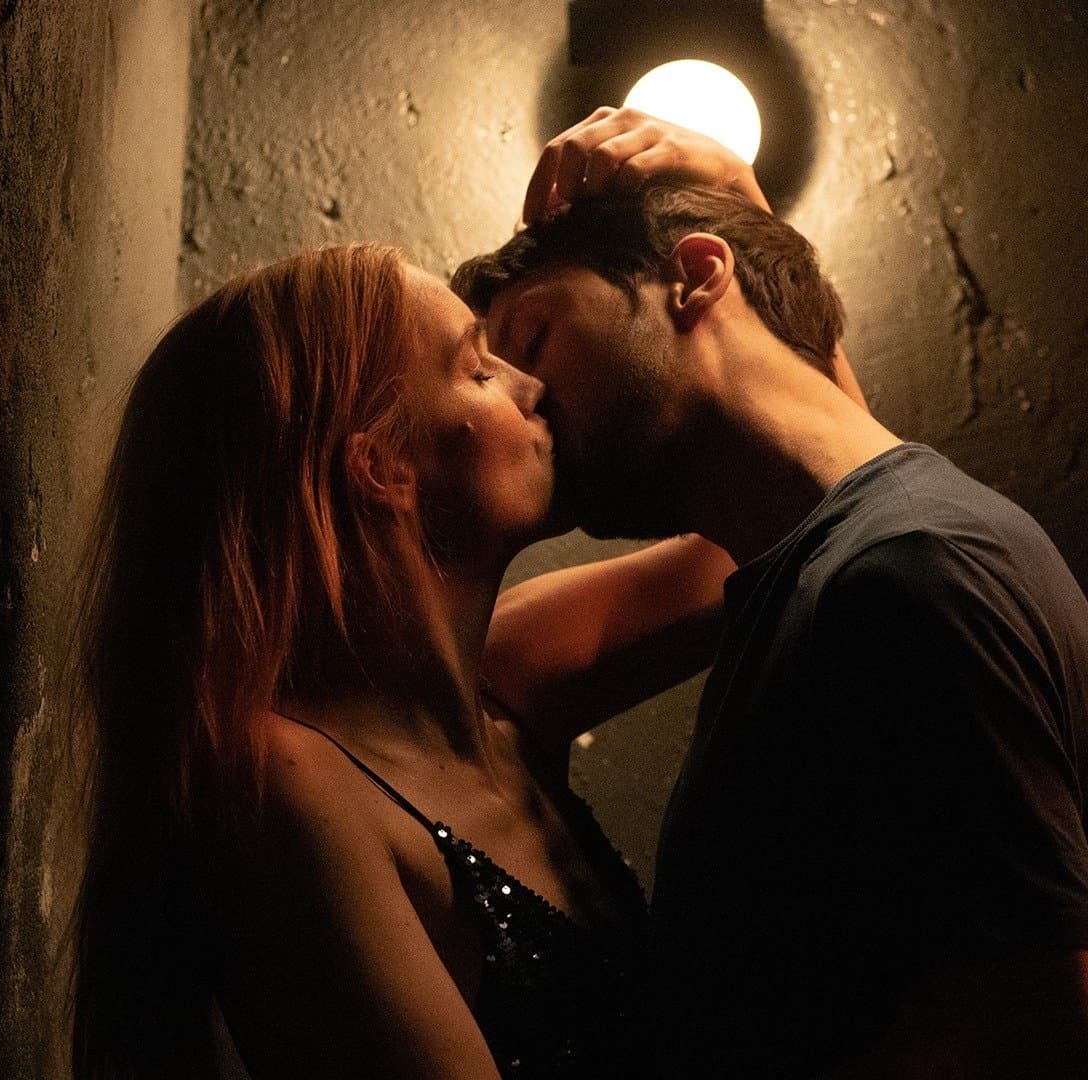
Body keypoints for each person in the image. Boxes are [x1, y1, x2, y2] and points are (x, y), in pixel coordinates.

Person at [66, 116, 756, 1079]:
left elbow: (782, 512)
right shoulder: (288, 784)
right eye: (479, 367)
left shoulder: (503, 678)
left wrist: (744, 218)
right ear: (381, 466)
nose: (530, 386)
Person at [452, 107, 1088, 1077]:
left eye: (532, 339)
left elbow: (1032, 1036)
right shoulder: (828, 568)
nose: (522, 400)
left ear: (697, 275)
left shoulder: (914, 573)